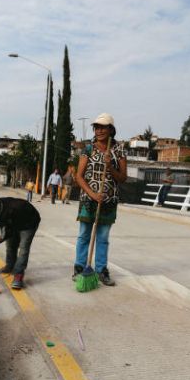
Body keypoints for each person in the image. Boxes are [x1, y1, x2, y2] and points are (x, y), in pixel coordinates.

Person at [72, 113, 127, 286]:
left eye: (103, 127)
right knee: (84, 235)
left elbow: (123, 178)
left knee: (102, 237)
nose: (99, 130)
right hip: (89, 200)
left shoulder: (119, 150)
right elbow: (79, 177)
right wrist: (92, 194)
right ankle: (80, 268)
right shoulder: (88, 149)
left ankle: (101, 270)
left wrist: (110, 166)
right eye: (96, 127)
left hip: (109, 201)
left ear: (111, 129)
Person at [0, 195, 41, 290]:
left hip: (29, 222)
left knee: (23, 248)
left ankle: (18, 275)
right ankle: (10, 266)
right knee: (10, 244)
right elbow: (7, 234)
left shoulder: (8, 212)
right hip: (15, 220)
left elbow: (3, 236)